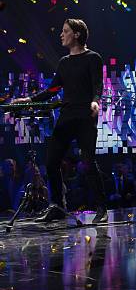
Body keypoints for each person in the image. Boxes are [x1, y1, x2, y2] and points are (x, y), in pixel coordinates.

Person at [12, 18, 108, 222]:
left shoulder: (93, 58)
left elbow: (97, 84)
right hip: (66, 116)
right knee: (52, 161)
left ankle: (102, 208)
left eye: (65, 31)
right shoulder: (64, 63)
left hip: (85, 116)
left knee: (88, 162)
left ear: (77, 34)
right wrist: (29, 99)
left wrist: (95, 101)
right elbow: (54, 89)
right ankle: (57, 206)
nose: (61, 35)